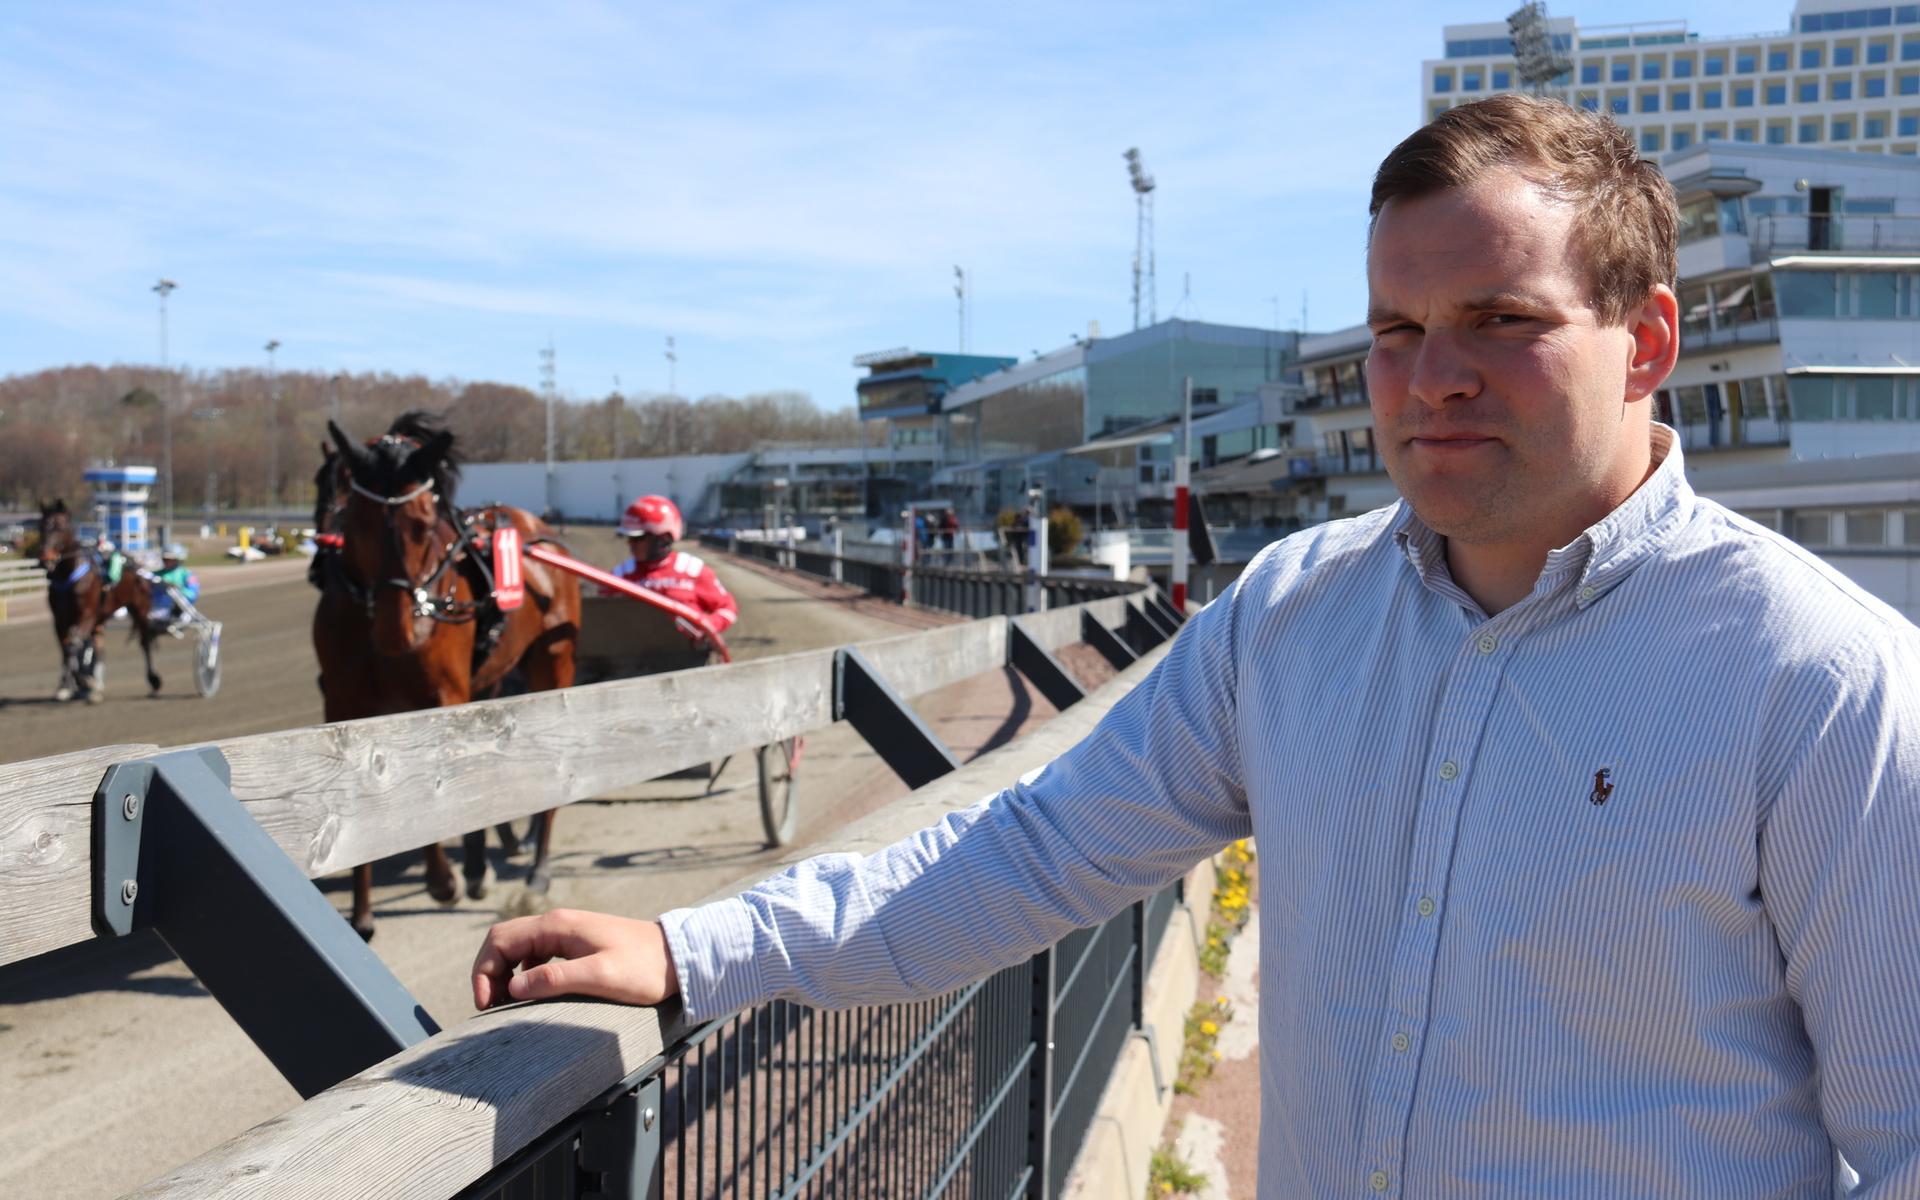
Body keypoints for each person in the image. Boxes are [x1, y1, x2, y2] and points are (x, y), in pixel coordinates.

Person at [474, 96, 1920, 1197]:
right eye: (1396, 329)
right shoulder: (1292, 615)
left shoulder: (1823, 678)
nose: (1431, 378)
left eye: (1500, 320)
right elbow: (1034, 853)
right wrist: (697, 948)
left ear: (1649, 341)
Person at [602, 495, 737, 642]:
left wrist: (707, 626)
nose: (630, 544)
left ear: (663, 538)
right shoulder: (619, 576)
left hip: (686, 657)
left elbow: (727, 608)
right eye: (628, 538)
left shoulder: (693, 570)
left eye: (637, 538)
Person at [147, 544, 199, 632]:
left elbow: (192, 595)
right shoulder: (155, 575)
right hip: (157, 610)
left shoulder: (187, 574)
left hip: (178, 610)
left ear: (178, 560)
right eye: (165, 559)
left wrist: (177, 588)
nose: (166, 562)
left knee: (184, 618)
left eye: (170, 560)